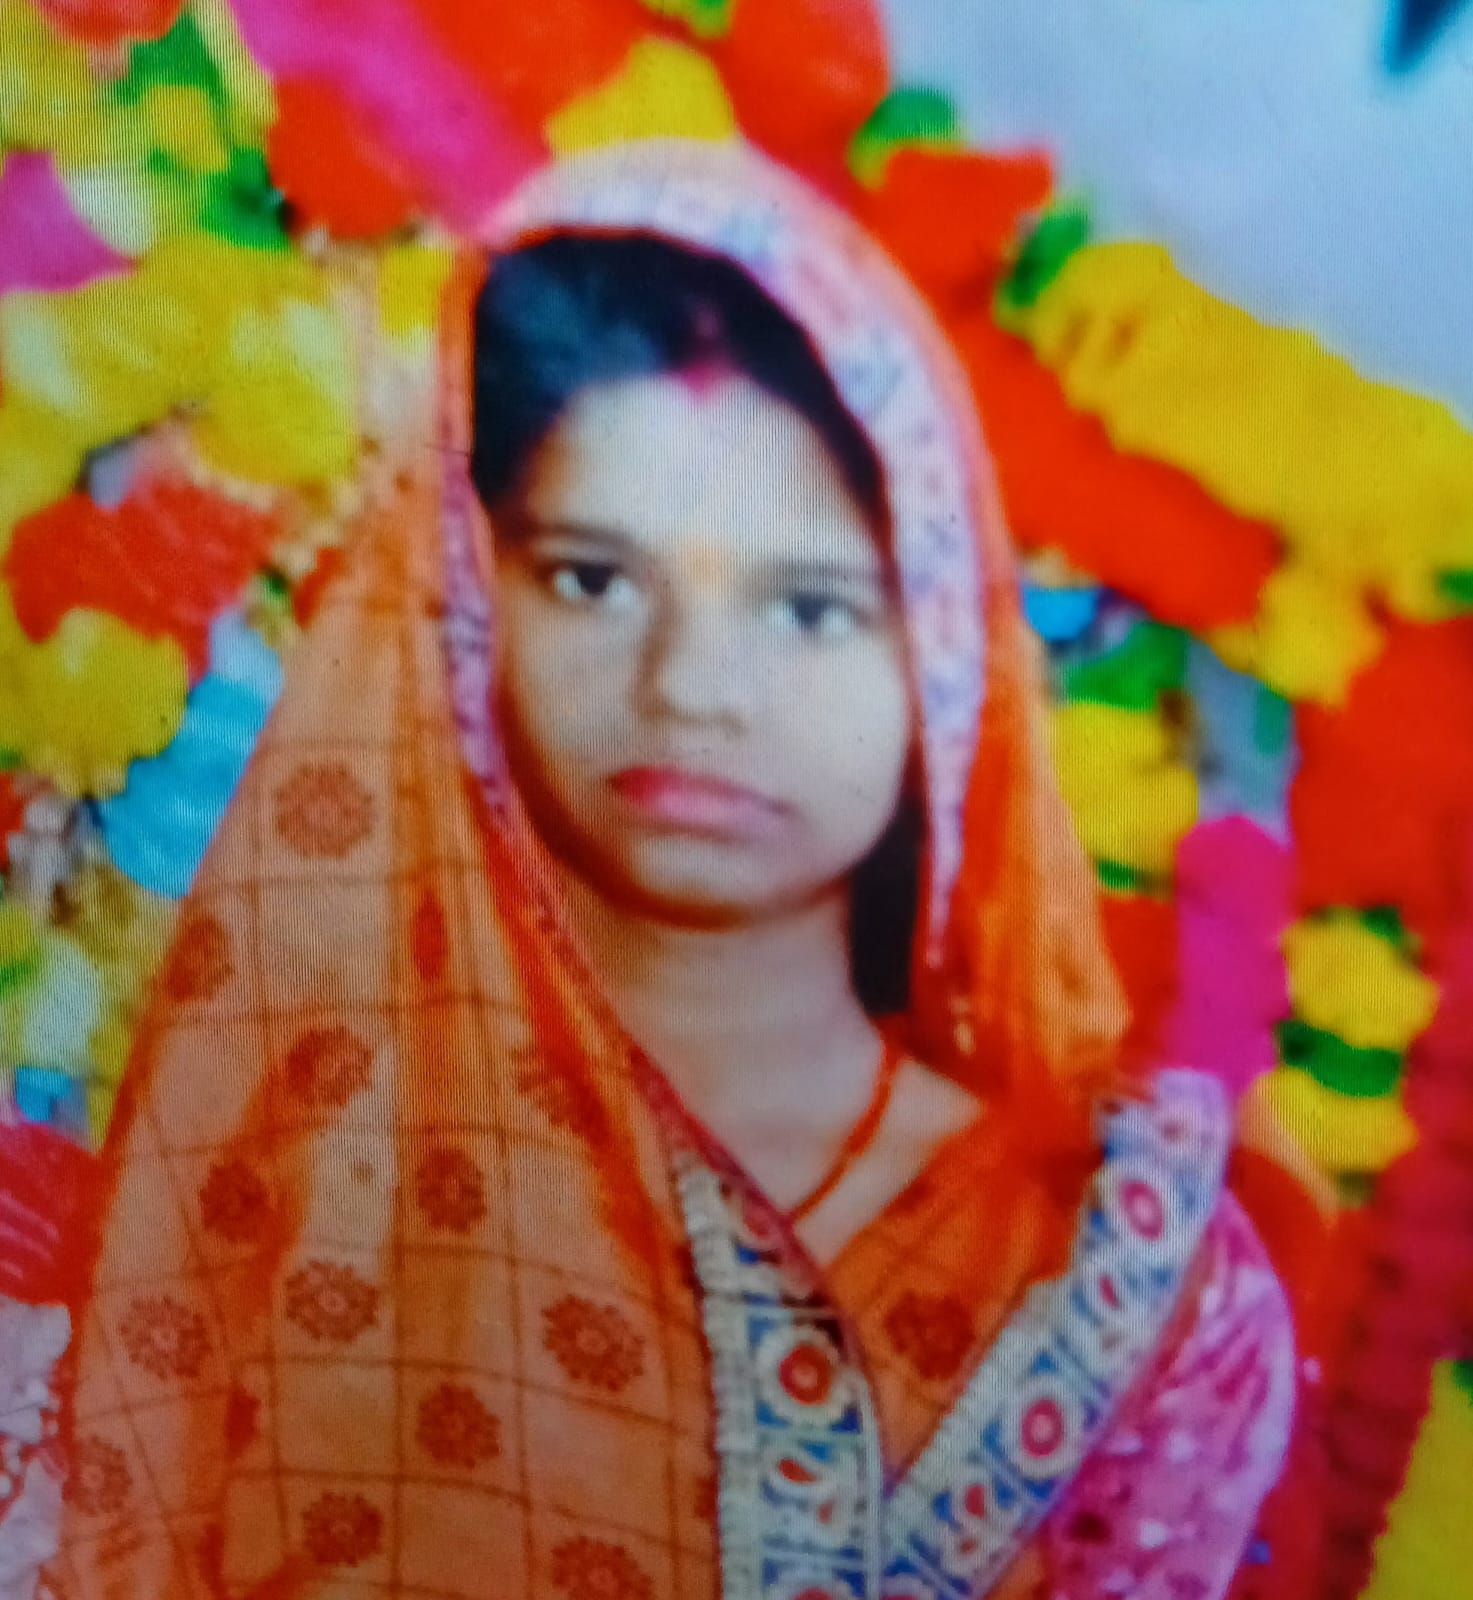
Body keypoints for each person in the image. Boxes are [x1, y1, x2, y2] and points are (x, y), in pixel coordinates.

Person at [4, 139, 1313, 1600]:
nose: (690, 686)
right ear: (468, 609)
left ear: (942, 657)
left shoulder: (1138, 1286)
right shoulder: (284, 1162)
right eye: (592, 579)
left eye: (807, 608)